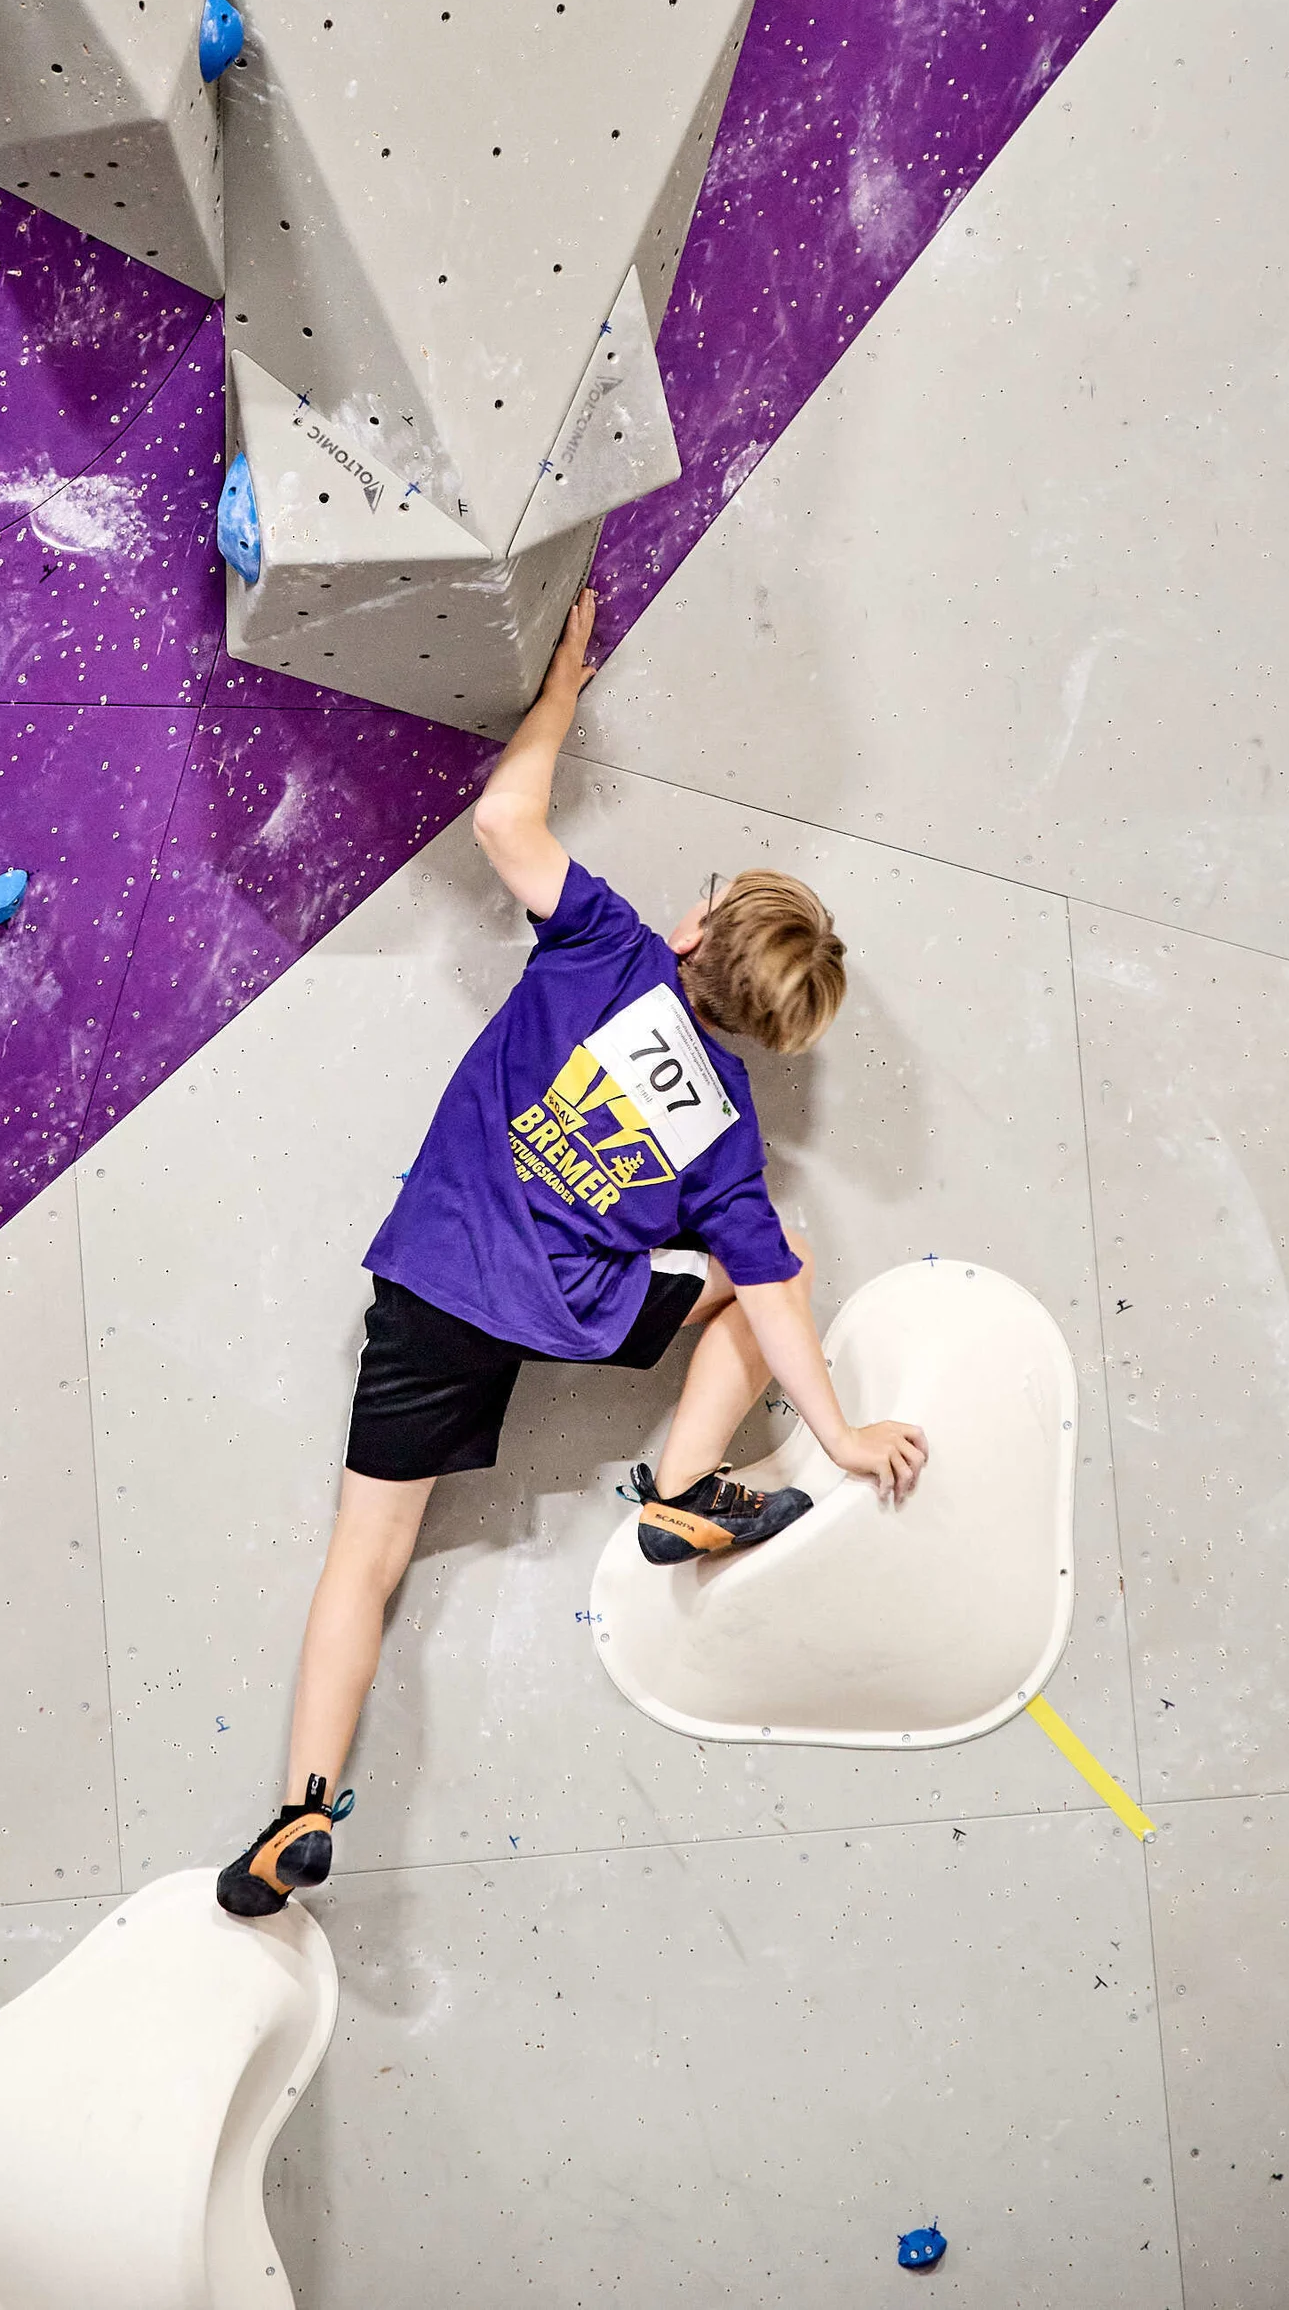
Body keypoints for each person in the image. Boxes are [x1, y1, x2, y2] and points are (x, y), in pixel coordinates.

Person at [216, 588, 928, 1919]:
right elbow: (775, 1294)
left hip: (433, 1283)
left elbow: (504, 819)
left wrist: (558, 694)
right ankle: (683, 1486)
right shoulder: (725, 1133)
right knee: (777, 1255)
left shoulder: (604, 943)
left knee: (366, 1557)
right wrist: (834, 1435)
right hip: (573, 1310)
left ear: (695, 934)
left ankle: (299, 1812)